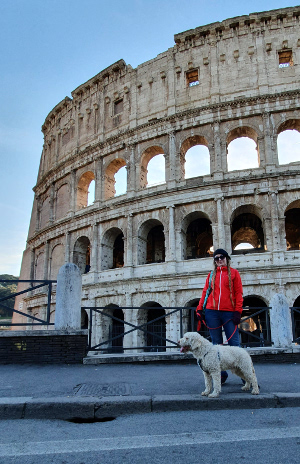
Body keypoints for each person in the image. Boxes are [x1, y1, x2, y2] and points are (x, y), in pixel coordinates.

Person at [196, 248, 243, 384]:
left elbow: (238, 293)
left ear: (227, 258)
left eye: (222, 257)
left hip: (229, 312)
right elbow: (205, 293)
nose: (219, 260)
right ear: (214, 261)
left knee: (234, 344)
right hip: (212, 312)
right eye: (216, 258)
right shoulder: (211, 275)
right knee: (216, 344)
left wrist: (238, 311)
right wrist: (200, 309)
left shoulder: (234, 273)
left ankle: (245, 376)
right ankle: (221, 375)